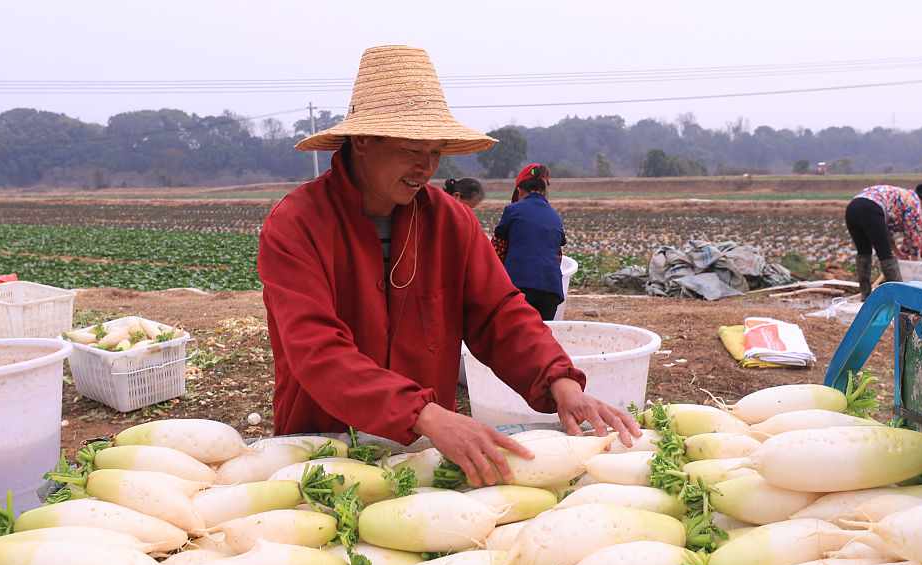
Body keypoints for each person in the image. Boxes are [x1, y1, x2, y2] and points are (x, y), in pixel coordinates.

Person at [256, 45, 638, 488]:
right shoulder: (297, 224)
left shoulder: (450, 221)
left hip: (426, 448)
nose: (427, 166)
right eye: (412, 149)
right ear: (362, 140)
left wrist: (559, 380)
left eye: (436, 151)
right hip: (323, 442)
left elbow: (499, 313)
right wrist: (423, 414)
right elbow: (316, 350)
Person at [491, 164, 567, 321]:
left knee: (516, 336)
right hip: (551, 291)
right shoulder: (555, 216)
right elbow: (557, 254)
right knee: (540, 338)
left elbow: (497, 251)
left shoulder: (512, 210)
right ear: (545, 192)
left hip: (520, 288)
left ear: (519, 191)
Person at [844, 185, 922, 298]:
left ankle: (865, 295)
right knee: (885, 255)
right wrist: (915, 261)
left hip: (852, 208)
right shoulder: (913, 201)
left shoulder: (898, 196)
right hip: (871, 209)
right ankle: (899, 297)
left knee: (863, 252)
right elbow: (913, 231)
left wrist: (900, 254)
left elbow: (887, 233)